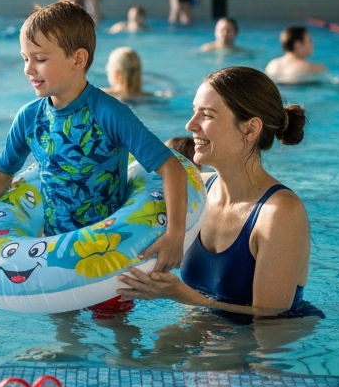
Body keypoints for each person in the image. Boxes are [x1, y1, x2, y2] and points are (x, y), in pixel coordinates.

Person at [0, 0, 188, 285]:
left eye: (39, 59)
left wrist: (175, 235)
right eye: (24, 58)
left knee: (116, 323)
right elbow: (2, 174)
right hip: (54, 249)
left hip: (110, 254)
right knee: (63, 324)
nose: (29, 69)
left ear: (78, 59)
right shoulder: (30, 118)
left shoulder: (108, 113)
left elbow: (170, 168)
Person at [117, 66, 322, 319]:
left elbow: (272, 319)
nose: (191, 125)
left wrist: (182, 295)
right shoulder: (194, 190)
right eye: (194, 112)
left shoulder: (279, 213)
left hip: (256, 344)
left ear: (250, 129)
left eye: (207, 115)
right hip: (203, 330)